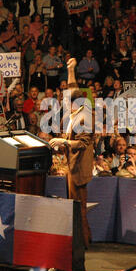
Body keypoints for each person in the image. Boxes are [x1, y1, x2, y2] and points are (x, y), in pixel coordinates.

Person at [49, 58, 94, 256]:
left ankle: (82, 243)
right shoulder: (78, 111)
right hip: (72, 167)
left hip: (78, 170)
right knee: (75, 206)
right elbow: (73, 87)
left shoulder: (85, 117)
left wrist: (63, 142)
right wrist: (71, 70)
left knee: (79, 208)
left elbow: (83, 143)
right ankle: (82, 239)